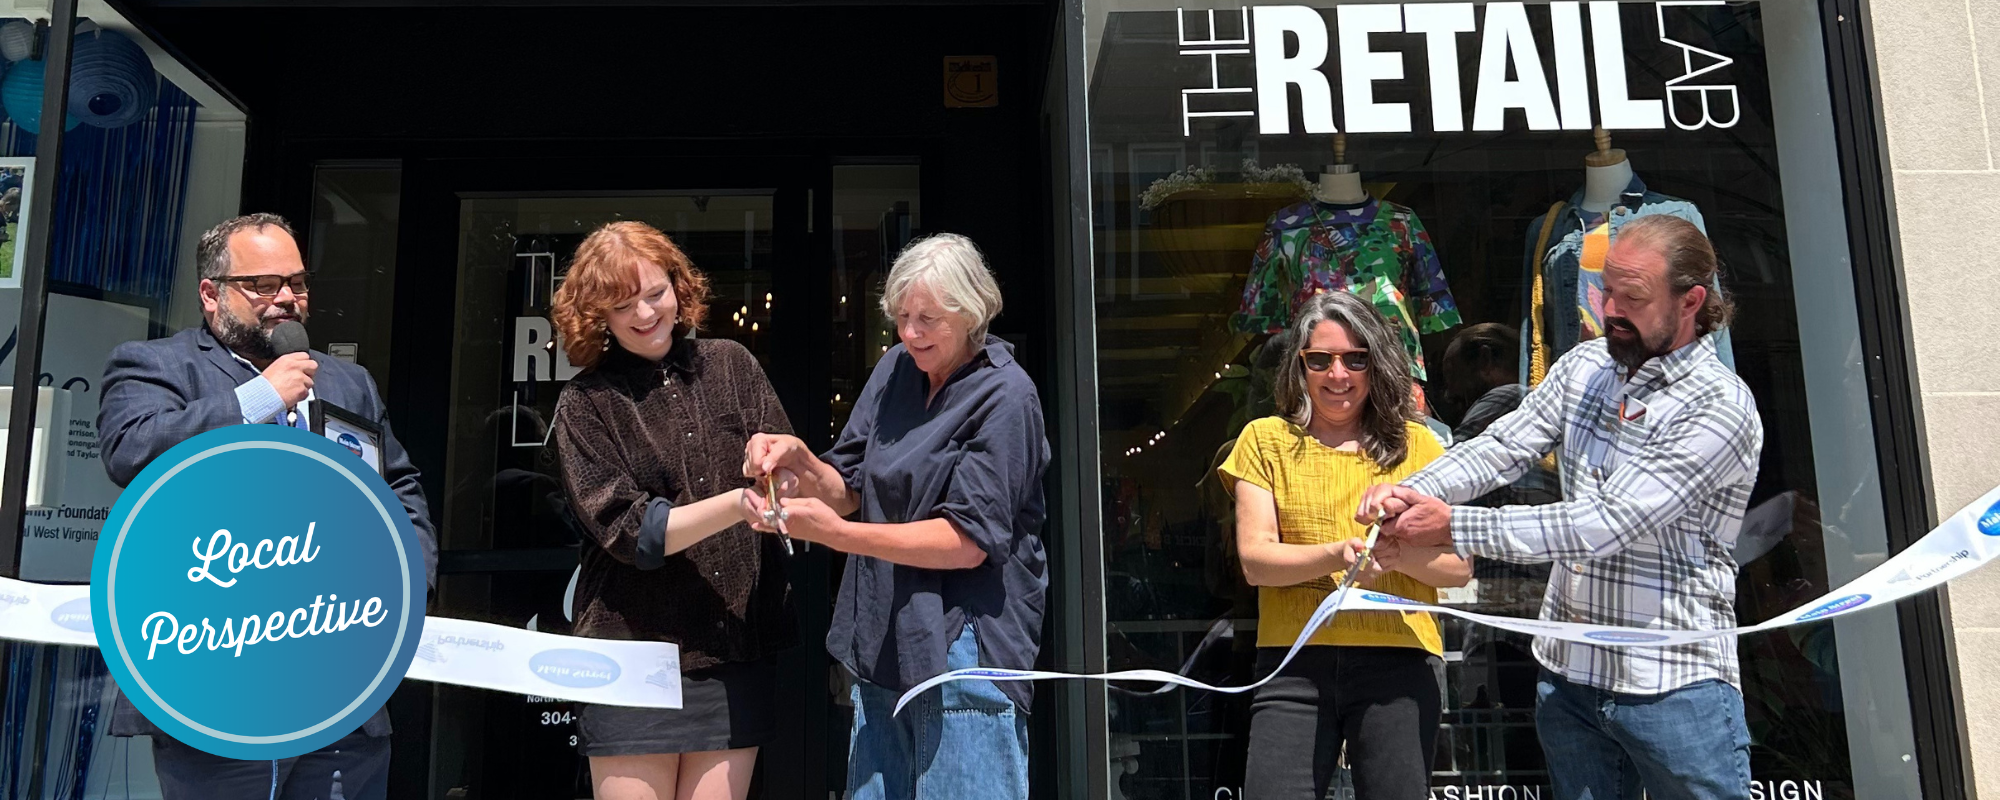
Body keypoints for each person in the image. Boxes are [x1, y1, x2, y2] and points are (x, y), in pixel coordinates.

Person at [1359, 215, 1765, 800]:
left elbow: (1606, 523)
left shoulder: (1717, 406)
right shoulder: (1585, 366)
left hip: (1675, 683)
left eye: (1634, 297)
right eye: (1606, 290)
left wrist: (1454, 525)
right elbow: (1502, 446)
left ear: (1691, 302)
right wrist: (1415, 489)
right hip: (1570, 677)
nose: (1610, 310)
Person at [96, 213, 438, 800]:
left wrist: (409, 583)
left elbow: (398, 487)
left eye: (298, 284)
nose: (286, 299)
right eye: (264, 285)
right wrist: (260, 397)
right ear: (212, 294)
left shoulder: (347, 382)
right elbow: (132, 449)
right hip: (216, 687)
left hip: (341, 688)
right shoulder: (156, 366)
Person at [740, 232, 1049, 800]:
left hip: (966, 647)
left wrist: (838, 536)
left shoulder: (1007, 396)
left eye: (927, 318)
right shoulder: (894, 372)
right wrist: (798, 459)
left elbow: (966, 541)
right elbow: (848, 484)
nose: (910, 332)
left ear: (972, 310)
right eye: (902, 316)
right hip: (883, 636)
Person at [549, 221, 796, 800]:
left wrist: (777, 465)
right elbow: (633, 533)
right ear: (596, 316)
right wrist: (738, 503)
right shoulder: (585, 404)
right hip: (631, 656)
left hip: (731, 643)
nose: (643, 313)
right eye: (622, 303)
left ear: (679, 287)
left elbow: (789, 476)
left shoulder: (732, 363)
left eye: (654, 293)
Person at [1219, 290, 1469, 800]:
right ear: (1300, 366)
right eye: (1321, 360)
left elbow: (1459, 568)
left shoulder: (1419, 446)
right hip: (1293, 661)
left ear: (1377, 364)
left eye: (1357, 359)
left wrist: (1399, 556)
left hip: (1399, 661)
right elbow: (1256, 562)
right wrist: (1340, 554)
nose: (1339, 375)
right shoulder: (1265, 440)